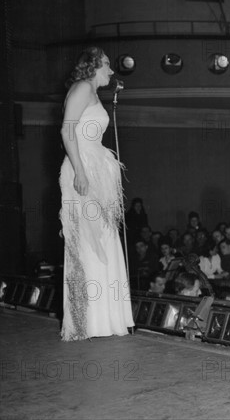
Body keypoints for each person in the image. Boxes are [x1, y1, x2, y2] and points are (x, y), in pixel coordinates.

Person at [59, 46, 133, 341]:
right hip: (83, 169)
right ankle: (87, 321)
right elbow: (67, 131)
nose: (111, 70)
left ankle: (107, 319)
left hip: (94, 169)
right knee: (88, 242)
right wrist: (79, 171)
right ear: (92, 67)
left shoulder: (91, 91)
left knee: (104, 238)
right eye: (106, 65)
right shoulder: (80, 89)